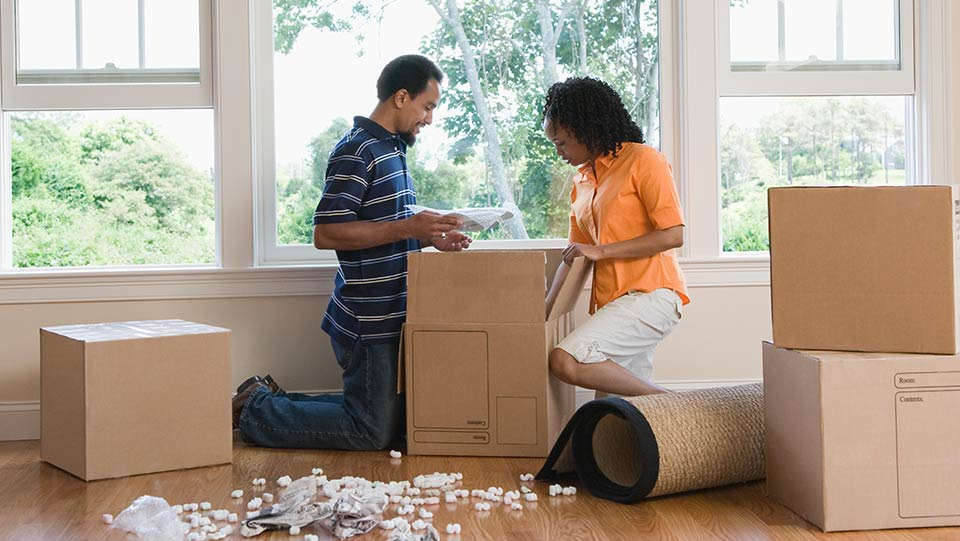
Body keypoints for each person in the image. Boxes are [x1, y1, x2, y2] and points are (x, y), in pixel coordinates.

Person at [233, 55, 471, 449]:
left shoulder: (392, 150)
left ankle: (264, 398)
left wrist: (429, 238)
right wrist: (408, 228)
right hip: (368, 318)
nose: (429, 119)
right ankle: (255, 410)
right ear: (401, 97)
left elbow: (385, 229)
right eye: (427, 107)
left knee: (385, 420)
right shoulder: (357, 150)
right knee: (371, 430)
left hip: (391, 312)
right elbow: (326, 233)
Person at [542, 77, 688, 397]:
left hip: (652, 296)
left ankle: (679, 404)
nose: (558, 152)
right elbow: (573, 255)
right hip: (614, 305)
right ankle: (669, 413)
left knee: (566, 360)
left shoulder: (644, 160)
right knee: (616, 414)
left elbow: (673, 234)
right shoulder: (581, 182)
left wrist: (602, 251)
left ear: (585, 129)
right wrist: (543, 316)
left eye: (562, 142)